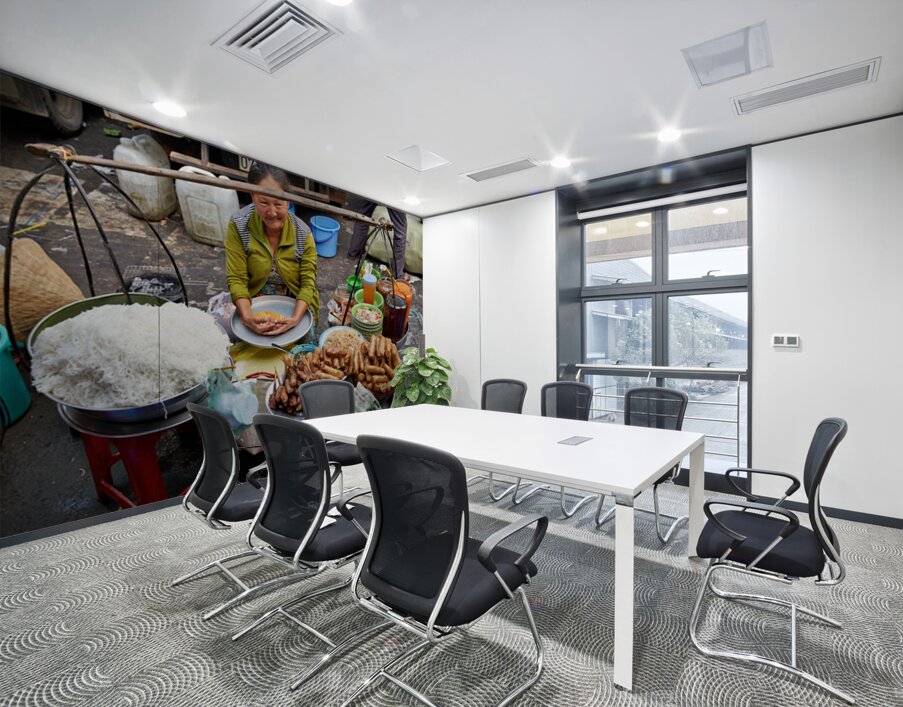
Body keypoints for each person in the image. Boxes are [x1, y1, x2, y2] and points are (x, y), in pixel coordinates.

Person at [225, 162, 319, 337]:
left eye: (278, 203)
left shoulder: (303, 234)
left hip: (295, 304)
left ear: (288, 199)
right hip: (253, 299)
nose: (272, 212)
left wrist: (295, 319)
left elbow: (308, 284)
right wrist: (247, 317)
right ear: (252, 196)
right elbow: (236, 279)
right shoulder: (239, 226)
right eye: (263, 202)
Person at [345, 196, 409, 280]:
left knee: (363, 215)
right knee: (400, 229)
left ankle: (353, 252)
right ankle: (397, 274)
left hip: (375, 185)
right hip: (393, 190)